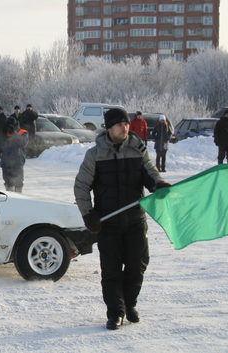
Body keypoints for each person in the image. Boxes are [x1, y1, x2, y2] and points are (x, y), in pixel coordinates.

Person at [74, 108, 170, 330]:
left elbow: (151, 173)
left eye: (126, 124)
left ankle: (130, 304)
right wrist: (88, 214)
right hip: (107, 222)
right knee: (111, 269)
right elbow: (81, 186)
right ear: (109, 128)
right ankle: (115, 312)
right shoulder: (95, 154)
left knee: (138, 264)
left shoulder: (138, 148)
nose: (125, 127)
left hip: (135, 219)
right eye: (119, 124)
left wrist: (158, 184)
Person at [0, 116, 28, 192]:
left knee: (18, 182)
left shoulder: (22, 132)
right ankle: (10, 199)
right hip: (6, 162)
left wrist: (14, 133)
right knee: (8, 183)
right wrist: (4, 130)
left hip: (17, 162)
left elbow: (23, 143)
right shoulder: (3, 132)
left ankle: (19, 199)